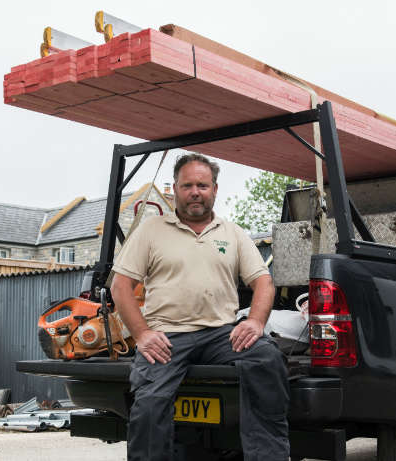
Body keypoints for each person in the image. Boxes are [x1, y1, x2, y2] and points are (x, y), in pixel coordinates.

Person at [110, 153, 290, 461]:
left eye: (203, 185)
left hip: (221, 335)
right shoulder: (152, 231)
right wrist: (141, 334)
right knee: (150, 403)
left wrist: (255, 322)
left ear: (215, 190)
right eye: (188, 185)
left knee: (266, 358)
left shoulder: (232, 233)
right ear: (176, 189)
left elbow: (263, 282)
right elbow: (120, 287)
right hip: (167, 337)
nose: (196, 192)